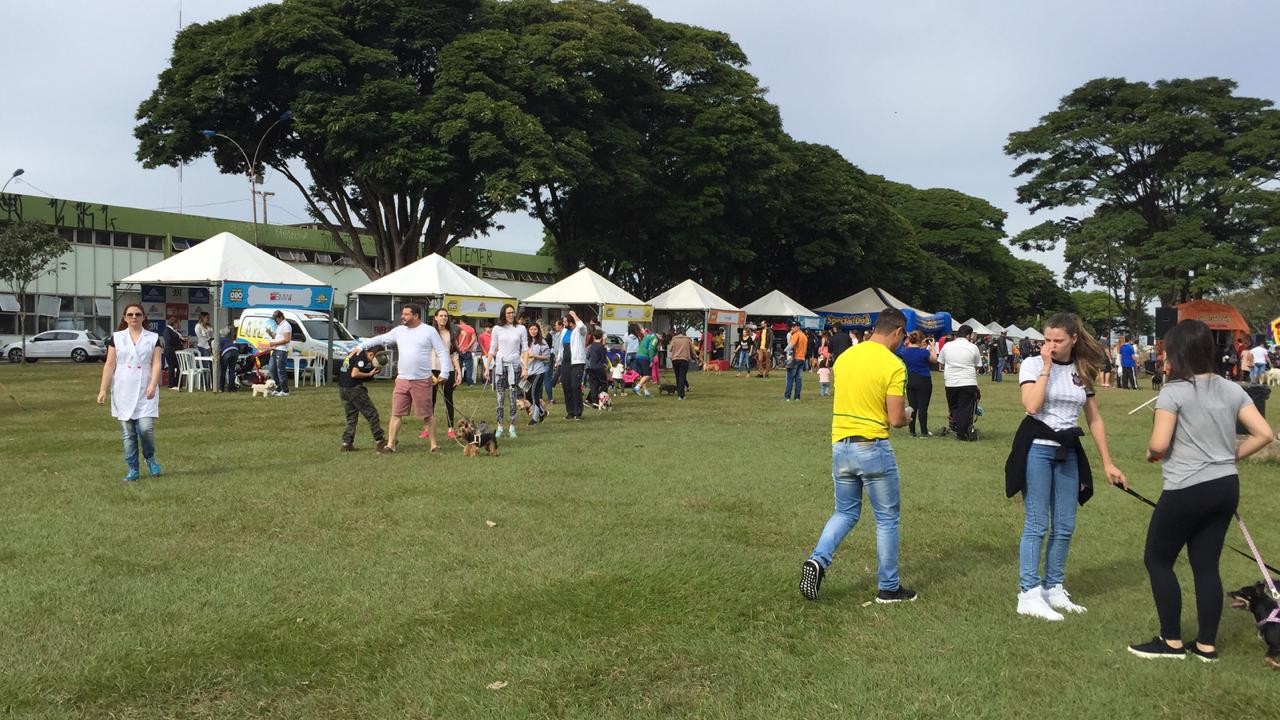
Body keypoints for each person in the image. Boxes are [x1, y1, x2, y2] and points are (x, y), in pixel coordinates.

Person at [1127, 320, 1275, 660]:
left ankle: (1171, 641)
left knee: (1158, 559)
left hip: (1186, 487)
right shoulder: (1232, 388)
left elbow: (1159, 443)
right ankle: (1206, 645)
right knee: (1206, 565)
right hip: (1225, 485)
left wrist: (1151, 453)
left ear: (1177, 353)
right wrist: (1227, 457)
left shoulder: (1173, 391)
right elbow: (1264, 434)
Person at [1006, 313, 1127, 622]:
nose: (1051, 345)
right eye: (1047, 340)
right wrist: (1046, 368)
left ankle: (1054, 586)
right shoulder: (1034, 364)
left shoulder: (1081, 369)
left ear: (1073, 339)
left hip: (1068, 450)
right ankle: (1028, 593)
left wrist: (1108, 462)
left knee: (1065, 524)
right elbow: (1031, 406)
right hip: (1037, 448)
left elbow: (1094, 419)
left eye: (1058, 340)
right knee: (1037, 523)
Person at [799, 308, 916, 604]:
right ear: (899, 332)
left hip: (841, 444)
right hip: (873, 446)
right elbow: (896, 419)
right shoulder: (894, 364)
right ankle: (889, 587)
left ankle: (818, 560)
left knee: (845, 512)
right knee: (887, 519)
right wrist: (909, 414)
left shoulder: (847, 357)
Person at [348, 304, 451, 453]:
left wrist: (445, 372)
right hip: (402, 379)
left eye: (406, 314)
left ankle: (434, 446)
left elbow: (442, 351)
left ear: (415, 316)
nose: (402, 316)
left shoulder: (429, 331)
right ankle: (390, 445)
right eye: (403, 314)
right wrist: (361, 346)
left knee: (427, 414)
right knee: (396, 413)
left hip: (422, 379)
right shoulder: (399, 331)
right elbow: (381, 339)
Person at [97, 303, 164, 482]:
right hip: (123, 389)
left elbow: (157, 363)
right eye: (130, 314)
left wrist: (153, 383)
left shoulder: (153, 338)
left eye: (138, 314)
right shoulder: (116, 338)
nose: (134, 317)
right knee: (128, 433)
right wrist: (103, 389)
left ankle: (150, 457)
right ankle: (133, 468)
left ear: (143, 317)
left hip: (145, 389)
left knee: (145, 428)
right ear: (125, 318)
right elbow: (110, 364)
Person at [423, 307, 463, 448]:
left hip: (448, 370)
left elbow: (454, 354)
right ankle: (427, 428)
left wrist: (458, 371)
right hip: (432, 368)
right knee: (431, 400)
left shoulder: (451, 333)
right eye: (441, 316)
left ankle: (451, 428)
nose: (443, 318)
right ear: (435, 317)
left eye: (446, 316)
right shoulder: (429, 333)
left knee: (448, 399)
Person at [487, 303, 528, 439]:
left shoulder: (521, 328)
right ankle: (499, 426)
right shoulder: (497, 328)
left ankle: (512, 426)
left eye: (512, 312)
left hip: (514, 366)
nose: (511, 315)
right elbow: (492, 348)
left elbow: (525, 349)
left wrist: (525, 368)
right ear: (503, 314)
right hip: (500, 366)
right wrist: (487, 367)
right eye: (508, 313)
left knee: (512, 398)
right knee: (500, 398)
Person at [338, 349, 387, 452]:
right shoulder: (362, 357)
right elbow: (355, 374)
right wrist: (369, 374)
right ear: (371, 354)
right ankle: (380, 440)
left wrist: (371, 373)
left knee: (351, 417)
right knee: (372, 413)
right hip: (354, 389)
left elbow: (355, 373)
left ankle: (347, 443)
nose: (370, 363)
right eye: (373, 360)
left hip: (343, 388)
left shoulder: (355, 354)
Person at [937, 324, 981, 440]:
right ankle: (962, 432)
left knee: (954, 407)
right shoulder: (973, 347)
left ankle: (955, 425)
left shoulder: (947, 346)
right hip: (967, 380)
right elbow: (977, 365)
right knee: (965, 407)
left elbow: (941, 362)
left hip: (951, 382)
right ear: (968, 335)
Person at [899, 330, 937, 437]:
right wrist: (932, 346)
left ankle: (912, 431)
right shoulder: (924, 352)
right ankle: (924, 432)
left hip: (910, 380)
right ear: (921, 340)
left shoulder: (904, 352)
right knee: (923, 407)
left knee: (912, 406)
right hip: (923, 380)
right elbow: (934, 360)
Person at [562, 310, 588, 420]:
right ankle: (570, 412)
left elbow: (582, 326)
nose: (563, 323)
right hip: (565, 362)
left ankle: (578, 412)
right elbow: (561, 346)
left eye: (565, 321)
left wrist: (574, 314)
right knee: (566, 387)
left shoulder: (579, 331)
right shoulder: (564, 331)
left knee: (575, 387)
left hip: (577, 362)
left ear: (571, 322)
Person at [524, 321, 551, 424]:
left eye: (535, 329)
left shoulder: (542, 342)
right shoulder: (526, 342)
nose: (533, 331)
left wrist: (535, 356)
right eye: (531, 329)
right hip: (528, 372)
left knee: (534, 393)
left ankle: (535, 418)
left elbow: (547, 357)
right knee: (527, 394)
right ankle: (542, 412)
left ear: (538, 330)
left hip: (539, 371)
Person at [266, 310, 292, 397]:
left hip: (282, 351)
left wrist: (274, 343)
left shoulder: (286, 325)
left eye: (276, 319)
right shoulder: (280, 325)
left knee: (281, 370)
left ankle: (285, 391)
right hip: (276, 349)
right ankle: (279, 388)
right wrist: (270, 334)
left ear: (280, 317)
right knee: (272, 369)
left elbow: (287, 339)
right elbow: (278, 337)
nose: (275, 321)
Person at [667, 327, 695, 400]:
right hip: (684, 360)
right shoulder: (688, 339)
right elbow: (692, 350)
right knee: (682, 377)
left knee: (678, 377)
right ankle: (681, 395)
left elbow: (670, 349)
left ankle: (679, 394)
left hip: (675, 360)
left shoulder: (674, 339)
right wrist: (695, 357)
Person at [784, 321, 808, 401]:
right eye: (792, 326)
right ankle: (797, 397)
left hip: (795, 359)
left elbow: (791, 345)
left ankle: (787, 397)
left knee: (790, 378)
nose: (792, 328)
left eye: (793, 326)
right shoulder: (804, 336)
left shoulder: (796, 335)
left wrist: (784, 351)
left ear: (798, 327)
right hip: (802, 359)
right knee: (798, 379)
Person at [585, 328, 609, 405]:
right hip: (599, 368)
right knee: (604, 384)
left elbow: (587, 356)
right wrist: (606, 365)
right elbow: (603, 359)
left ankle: (591, 400)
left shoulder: (590, 346)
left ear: (594, 337)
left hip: (591, 368)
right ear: (601, 337)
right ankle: (601, 398)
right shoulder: (602, 347)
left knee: (594, 385)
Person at [162, 315, 185, 390]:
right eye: (178, 323)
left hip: (176, 351)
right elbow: (169, 341)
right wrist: (178, 344)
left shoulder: (174, 331)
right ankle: (171, 384)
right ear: (174, 323)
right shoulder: (167, 330)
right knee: (172, 367)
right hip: (170, 351)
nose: (179, 325)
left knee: (178, 367)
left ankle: (178, 383)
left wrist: (182, 341)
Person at [456, 317, 477, 385]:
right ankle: (469, 381)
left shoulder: (457, 327)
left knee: (458, 366)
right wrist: (468, 346)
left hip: (458, 350)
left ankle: (457, 380)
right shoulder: (471, 329)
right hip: (467, 350)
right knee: (469, 367)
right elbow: (474, 339)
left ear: (461, 321)